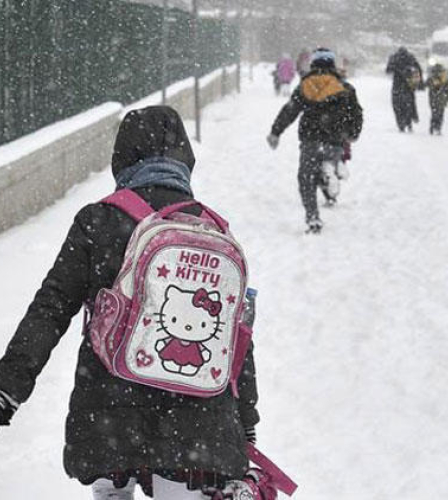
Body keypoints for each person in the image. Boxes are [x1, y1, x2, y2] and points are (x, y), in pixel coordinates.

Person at [0, 106, 261, 497]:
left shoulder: (97, 222)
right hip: (196, 426)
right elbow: (235, 338)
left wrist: (9, 387)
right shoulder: (211, 229)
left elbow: (51, 308)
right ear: (184, 159)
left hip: (108, 411)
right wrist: (246, 419)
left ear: (122, 158)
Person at [267, 48, 363, 234]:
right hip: (335, 140)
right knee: (327, 163)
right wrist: (352, 133)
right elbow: (356, 114)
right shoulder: (345, 88)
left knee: (306, 178)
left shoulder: (305, 85)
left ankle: (313, 218)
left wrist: (275, 132)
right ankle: (332, 172)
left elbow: (290, 111)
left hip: (311, 140)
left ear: (313, 64)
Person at [386, 47, 423, 133]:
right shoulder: (410, 57)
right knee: (409, 104)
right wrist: (420, 82)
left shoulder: (394, 58)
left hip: (397, 85)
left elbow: (388, 70)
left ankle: (401, 124)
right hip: (408, 85)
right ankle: (409, 121)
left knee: (397, 106)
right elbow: (418, 69)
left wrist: (396, 69)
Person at [425, 64, 448, 135]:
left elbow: (424, 85)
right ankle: (436, 128)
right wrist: (447, 99)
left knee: (435, 114)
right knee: (439, 115)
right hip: (440, 101)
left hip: (435, 101)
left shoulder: (433, 79)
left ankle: (434, 127)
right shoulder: (444, 80)